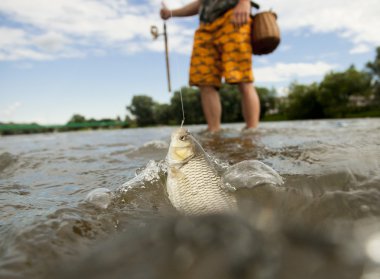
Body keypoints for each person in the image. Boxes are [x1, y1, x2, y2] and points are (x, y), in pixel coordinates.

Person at [160, 0, 260, 132]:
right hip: (205, 25)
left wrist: (244, 2)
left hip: (233, 15)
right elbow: (201, 3)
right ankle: (213, 132)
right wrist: (171, 13)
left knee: (242, 76)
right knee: (204, 81)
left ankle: (252, 132)